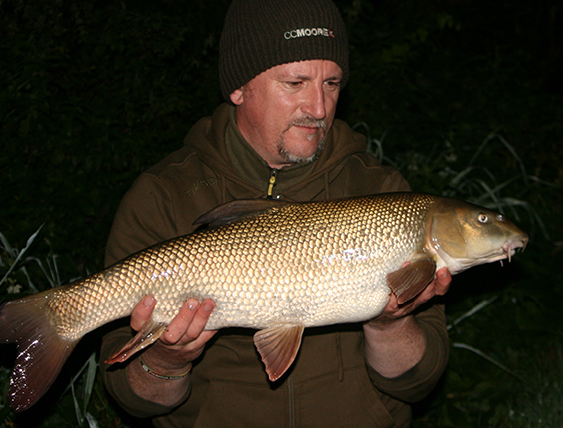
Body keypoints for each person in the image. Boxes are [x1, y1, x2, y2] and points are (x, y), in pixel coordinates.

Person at [100, 0, 451, 426]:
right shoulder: (164, 195)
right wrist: (166, 358)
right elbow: (134, 399)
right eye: (295, 83)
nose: (319, 108)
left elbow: (418, 384)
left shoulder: (380, 193)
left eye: (332, 84)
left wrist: (389, 324)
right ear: (239, 88)